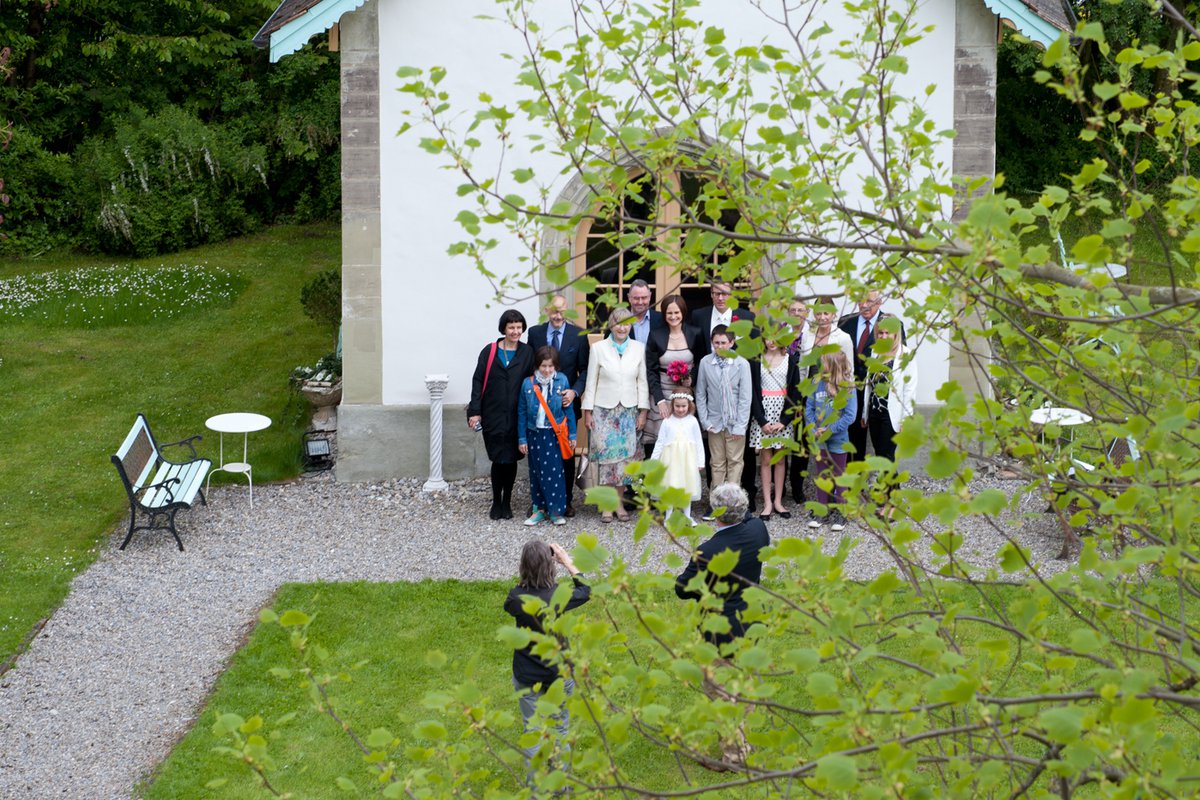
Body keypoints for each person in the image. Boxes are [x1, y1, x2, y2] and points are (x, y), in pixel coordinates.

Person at [674, 482, 769, 769]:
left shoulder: (710, 550)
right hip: (750, 618)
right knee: (744, 683)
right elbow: (749, 517)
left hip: (721, 627)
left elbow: (682, 587)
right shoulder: (758, 531)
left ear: (717, 513)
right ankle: (742, 741)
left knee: (720, 691)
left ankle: (733, 757)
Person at [505, 540, 590, 768]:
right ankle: (562, 785)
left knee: (532, 732)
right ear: (550, 566)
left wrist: (528, 578)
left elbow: (509, 603)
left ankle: (536, 790)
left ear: (523, 566)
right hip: (558, 673)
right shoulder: (559, 596)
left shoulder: (515, 597)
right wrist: (567, 562)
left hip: (526, 674)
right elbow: (585, 590)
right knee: (560, 727)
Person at [581, 306, 651, 523]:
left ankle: (620, 503)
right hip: (604, 411)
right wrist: (587, 411)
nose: (623, 328)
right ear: (611, 325)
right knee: (606, 460)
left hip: (629, 411)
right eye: (619, 323)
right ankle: (606, 505)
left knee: (625, 461)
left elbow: (642, 381)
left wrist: (643, 411)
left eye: (627, 323)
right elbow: (591, 380)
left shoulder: (638, 348)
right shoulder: (599, 348)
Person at [468, 309, 535, 520]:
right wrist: (475, 411)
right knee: (498, 459)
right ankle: (496, 501)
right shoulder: (489, 351)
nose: (516, 331)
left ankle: (508, 502)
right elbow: (478, 380)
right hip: (493, 414)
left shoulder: (527, 353)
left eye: (519, 327)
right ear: (503, 328)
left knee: (512, 459)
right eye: (511, 327)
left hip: (517, 416)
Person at [527, 295, 590, 516]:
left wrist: (574, 391)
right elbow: (530, 368)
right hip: (539, 407)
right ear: (546, 310)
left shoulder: (578, 335)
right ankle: (540, 502)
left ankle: (566, 501)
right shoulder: (535, 333)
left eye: (562, 311)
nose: (557, 315)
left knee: (565, 454)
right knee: (539, 456)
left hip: (566, 406)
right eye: (553, 311)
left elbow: (585, 371)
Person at [518, 347, 578, 526]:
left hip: (554, 434)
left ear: (556, 366)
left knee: (554, 472)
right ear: (537, 365)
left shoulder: (562, 381)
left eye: (551, 366)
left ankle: (556, 511)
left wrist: (572, 434)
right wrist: (522, 438)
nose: (547, 370)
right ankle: (539, 509)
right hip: (534, 433)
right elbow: (521, 412)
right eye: (543, 366)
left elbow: (569, 410)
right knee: (536, 472)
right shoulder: (527, 384)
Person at [838, 290, 901, 462]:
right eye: (860, 300)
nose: (864, 305)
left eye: (869, 301)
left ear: (880, 302)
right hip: (849, 390)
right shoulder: (845, 322)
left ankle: (888, 486)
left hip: (877, 395)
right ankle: (855, 481)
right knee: (852, 438)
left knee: (882, 448)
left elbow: (899, 365)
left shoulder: (892, 324)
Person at [694, 325, 753, 504]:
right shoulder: (706, 362)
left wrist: (741, 426)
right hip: (714, 421)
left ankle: (732, 503)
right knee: (717, 463)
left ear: (732, 343)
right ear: (712, 343)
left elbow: (745, 397)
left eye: (724, 343)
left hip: (735, 421)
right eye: (716, 343)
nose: (720, 346)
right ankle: (716, 502)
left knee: (735, 462)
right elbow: (700, 393)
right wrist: (705, 421)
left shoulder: (742, 364)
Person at [643, 294, 705, 454]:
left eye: (676, 312)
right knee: (660, 442)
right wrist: (660, 400)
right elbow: (651, 370)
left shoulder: (695, 333)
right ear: (664, 314)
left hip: (687, 394)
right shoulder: (656, 335)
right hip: (662, 392)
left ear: (683, 312)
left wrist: (691, 379)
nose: (673, 316)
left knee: (684, 441)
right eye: (669, 313)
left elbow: (701, 361)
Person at [748, 334, 801, 520]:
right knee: (765, 459)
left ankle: (778, 500)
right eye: (767, 338)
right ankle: (767, 503)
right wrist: (761, 420)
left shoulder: (790, 360)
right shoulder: (756, 361)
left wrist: (785, 421)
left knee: (780, 459)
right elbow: (753, 391)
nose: (771, 342)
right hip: (762, 413)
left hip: (781, 413)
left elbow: (795, 392)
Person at [805, 351, 857, 532]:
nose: (821, 367)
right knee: (822, 475)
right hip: (819, 439)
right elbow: (809, 409)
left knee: (839, 476)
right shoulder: (816, 383)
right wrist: (813, 428)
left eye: (824, 363)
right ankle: (822, 510)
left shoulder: (848, 387)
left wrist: (830, 429)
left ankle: (841, 513)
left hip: (838, 440)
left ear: (834, 366)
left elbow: (850, 416)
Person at [862, 325, 917, 463]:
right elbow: (869, 385)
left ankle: (888, 485)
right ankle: (890, 485)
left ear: (896, 334)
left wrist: (906, 418)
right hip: (874, 412)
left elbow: (910, 389)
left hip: (892, 413)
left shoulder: (906, 354)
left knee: (886, 456)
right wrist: (865, 413)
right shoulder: (875, 352)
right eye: (881, 333)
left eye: (888, 332)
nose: (884, 336)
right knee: (879, 454)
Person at [650, 392, 705, 521]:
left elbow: (698, 442)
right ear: (672, 405)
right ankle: (668, 516)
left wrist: (700, 461)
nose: (680, 409)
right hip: (670, 460)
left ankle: (687, 516)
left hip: (688, 460)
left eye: (683, 406)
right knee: (670, 486)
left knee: (687, 487)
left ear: (689, 405)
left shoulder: (692, 421)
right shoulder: (667, 421)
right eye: (677, 406)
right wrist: (653, 460)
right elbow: (660, 442)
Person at [785, 297, 811, 505]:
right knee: (780, 441)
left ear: (807, 313)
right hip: (779, 393)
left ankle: (797, 485)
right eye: (792, 310)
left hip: (803, 394)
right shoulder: (779, 334)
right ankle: (780, 485)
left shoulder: (812, 336)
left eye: (800, 310)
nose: (796, 314)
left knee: (802, 442)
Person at [690, 282, 757, 359]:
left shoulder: (747, 317)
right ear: (711, 294)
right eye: (717, 294)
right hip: (708, 368)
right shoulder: (699, 316)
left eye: (725, 294)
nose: (720, 298)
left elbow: (753, 352)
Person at [626, 279, 665, 343]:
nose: (640, 302)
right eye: (636, 298)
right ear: (629, 298)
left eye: (644, 298)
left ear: (650, 297)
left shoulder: (662, 319)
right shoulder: (620, 320)